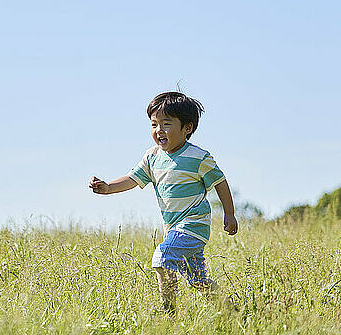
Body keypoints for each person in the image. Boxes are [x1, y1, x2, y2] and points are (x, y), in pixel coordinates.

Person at [89, 91, 238, 314]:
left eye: (166, 124)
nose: (159, 130)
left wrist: (229, 214)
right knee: (198, 280)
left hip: (193, 227)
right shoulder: (152, 156)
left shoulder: (198, 157)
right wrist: (109, 187)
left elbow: (220, 182)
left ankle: (168, 313)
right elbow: (132, 178)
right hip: (173, 229)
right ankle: (232, 312)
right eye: (154, 124)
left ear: (187, 128)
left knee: (162, 258)